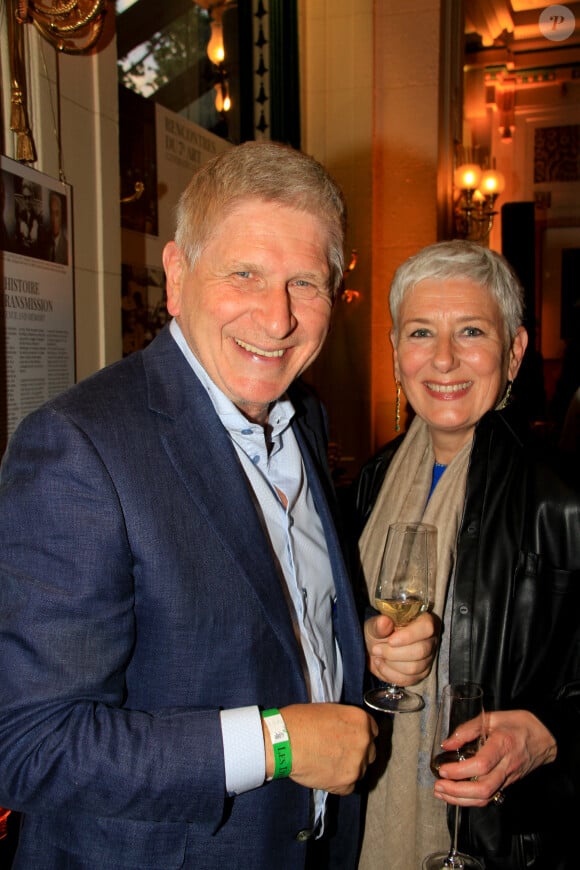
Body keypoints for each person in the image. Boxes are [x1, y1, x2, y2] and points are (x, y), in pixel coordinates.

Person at [0, 141, 436, 870]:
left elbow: (259, 609)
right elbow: (31, 746)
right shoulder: (79, 448)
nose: (278, 319)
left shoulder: (303, 414)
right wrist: (281, 742)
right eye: (246, 274)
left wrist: (354, 640)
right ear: (177, 275)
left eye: (306, 282)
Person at [353, 240, 580, 870]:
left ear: (514, 354)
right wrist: (362, 645)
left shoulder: (564, 499)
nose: (444, 358)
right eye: (422, 332)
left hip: (505, 843)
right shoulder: (367, 485)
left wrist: (551, 735)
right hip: (359, 816)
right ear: (396, 354)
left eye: (472, 331)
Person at [46, 189, 68, 264]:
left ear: (62, 215)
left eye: (57, 214)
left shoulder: (67, 248)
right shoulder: (44, 243)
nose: (53, 219)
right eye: (51, 213)